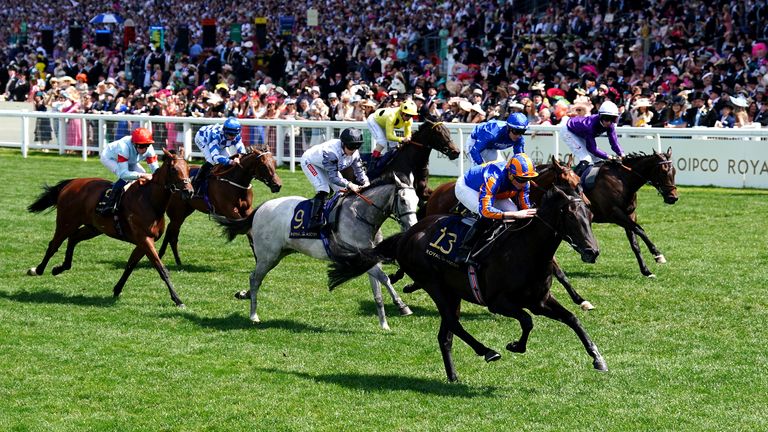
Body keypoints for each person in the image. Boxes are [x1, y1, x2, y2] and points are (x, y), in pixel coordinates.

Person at [454, 153, 539, 265]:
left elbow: (525, 208)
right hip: (469, 188)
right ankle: (463, 253)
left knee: (514, 213)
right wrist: (514, 215)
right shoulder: (494, 177)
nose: (524, 183)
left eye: (528, 179)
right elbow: (486, 211)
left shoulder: (523, 181)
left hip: (496, 193)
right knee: (488, 217)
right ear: (510, 174)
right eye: (521, 179)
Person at [301, 127, 370, 229]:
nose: (353, 151)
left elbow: (359, 171)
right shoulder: (331, 152)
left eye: (355, 148)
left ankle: (335, 217)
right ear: (343, 144)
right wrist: (350, 184)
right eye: (350, 148)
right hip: (310, 162)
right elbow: (333, 178)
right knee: (323, 188)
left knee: (341, 192)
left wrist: (366, 182)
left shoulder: (354, 152)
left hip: (328, 165)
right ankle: (313, 220)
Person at [97, 127, 159, 215]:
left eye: (146, 146)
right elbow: (124, 174)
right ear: (134, 143)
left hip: (130, 160)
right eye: (141, 146)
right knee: (127, 178)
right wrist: (142, 175)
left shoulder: (149, 148)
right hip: (110, 158)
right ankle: (109, 204)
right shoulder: (123, 147)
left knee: (142, 172)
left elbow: (155, 169)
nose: (144, 149)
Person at [561, 100, 624, 175]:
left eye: (613, 119)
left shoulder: (610, 125)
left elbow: (614, 142)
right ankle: (569, 182)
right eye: (607, 118)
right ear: (600, 116)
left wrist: (622, 154)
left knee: (598, 160)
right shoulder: (589, 126)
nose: (609, 122)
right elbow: (592, 148)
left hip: (580, 133)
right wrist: (608, 156)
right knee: (585, 159)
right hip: (568, 131)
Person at [192, 117, 247, 196]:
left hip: (220, 143)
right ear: (225, 132)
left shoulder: (236, 135)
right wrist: (231, 162)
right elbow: (215, 156)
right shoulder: (215, 135)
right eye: (231, 134)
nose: (233, 137)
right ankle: (196, 183)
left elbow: (242, 151)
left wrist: (240, 157)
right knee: (211, 160)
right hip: (202, 138)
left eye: (235, 134)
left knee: (228, 159)